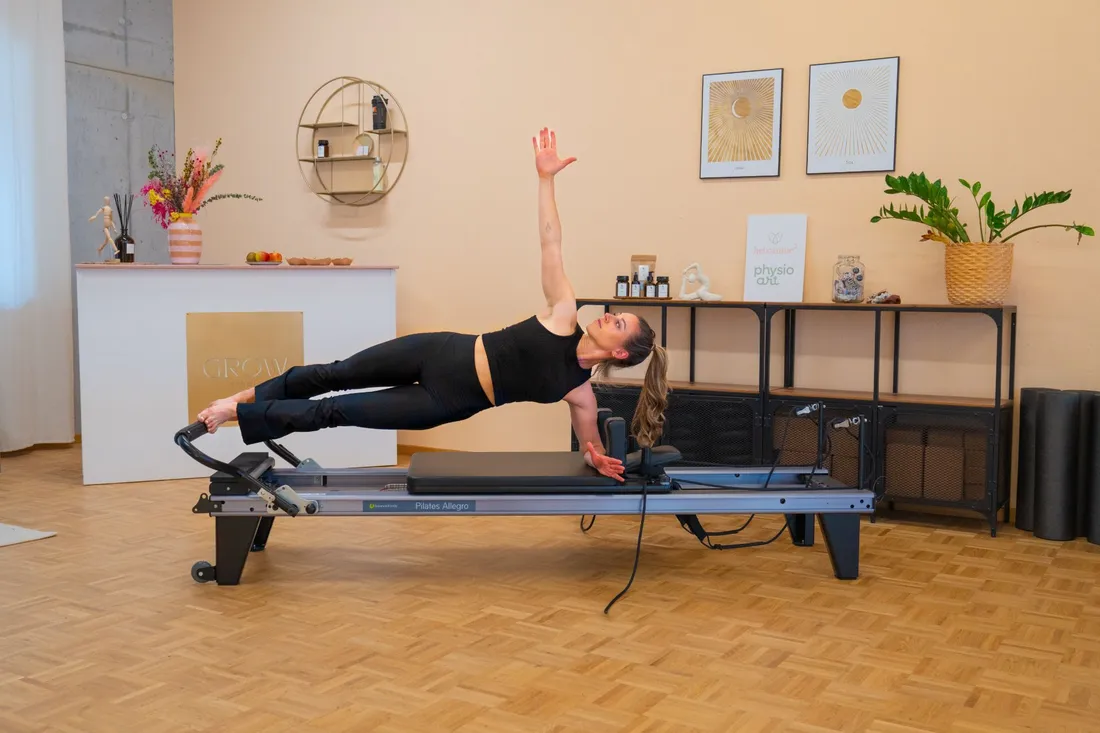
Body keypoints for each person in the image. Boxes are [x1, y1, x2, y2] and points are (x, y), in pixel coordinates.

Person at [197, 127, 669, 481]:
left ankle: (238, 414)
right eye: (615, 313)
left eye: (618, 323)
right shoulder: (564, 312)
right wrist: (545, 180)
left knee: (335, 411)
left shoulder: (579, 390)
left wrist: (596, 457)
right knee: (332, 373)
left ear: (619, 352)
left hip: (445, 400)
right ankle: (242, 399)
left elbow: (588, 445)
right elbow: (551, 243)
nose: (608, 315)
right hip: (440, 351)